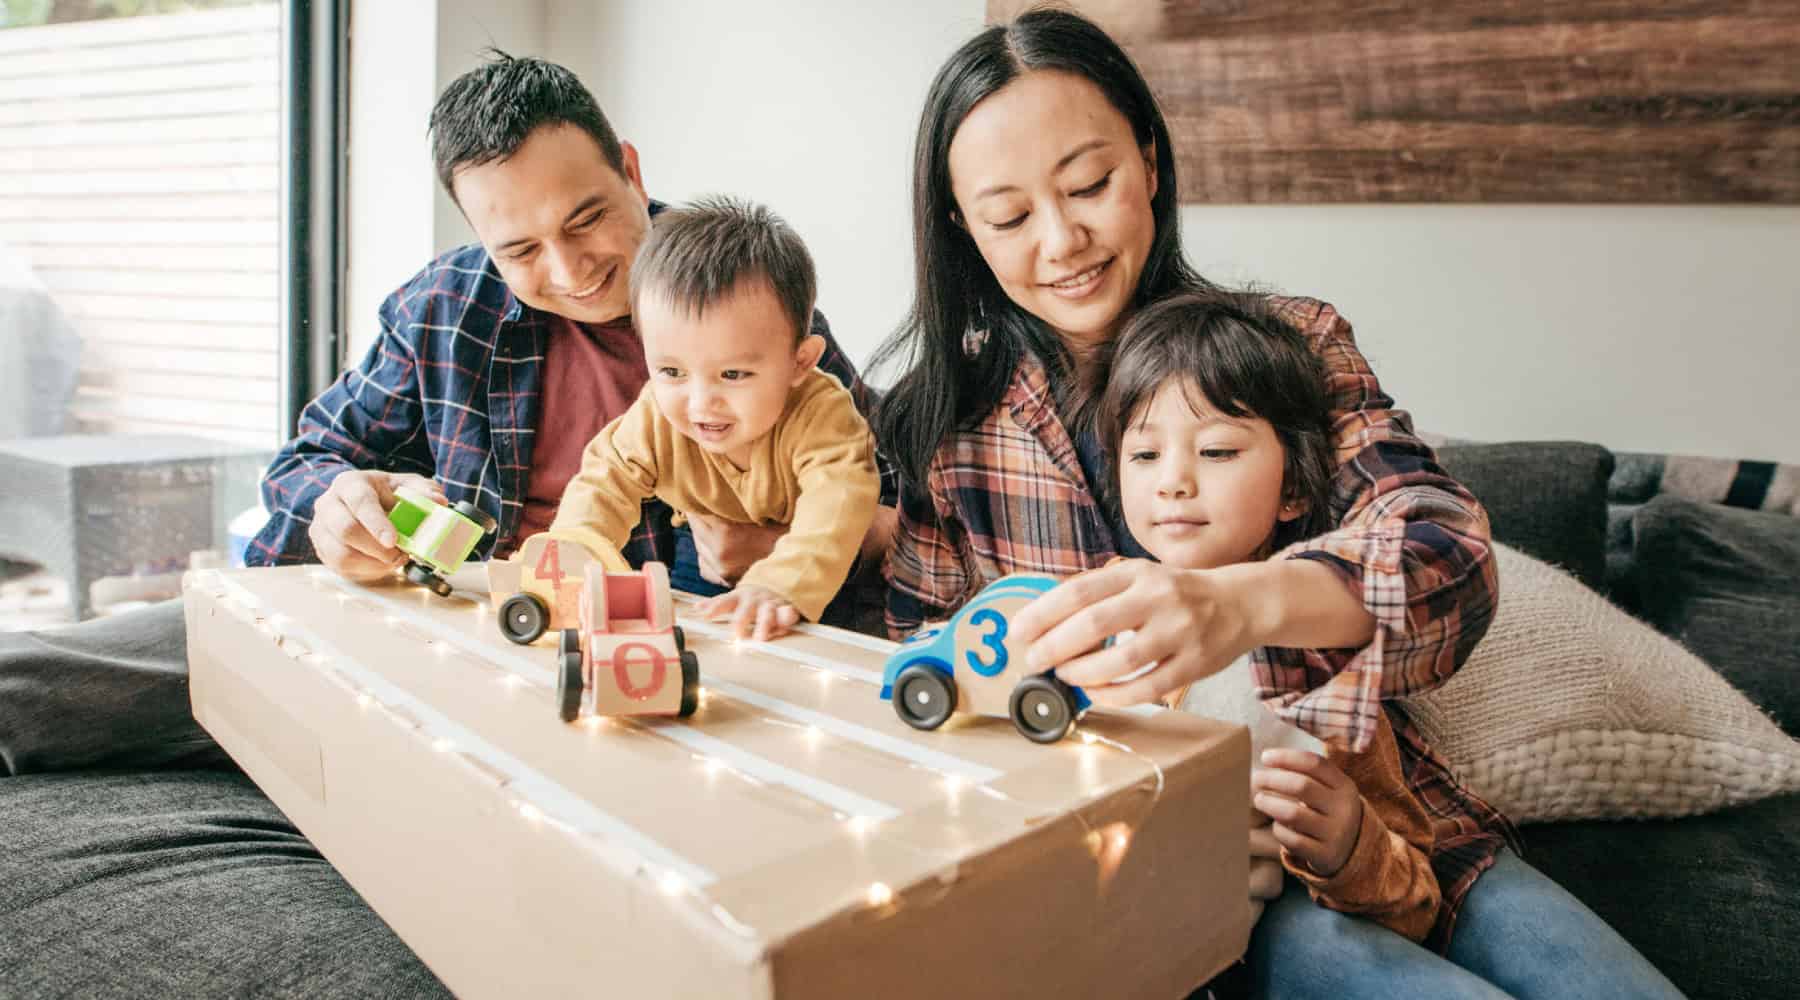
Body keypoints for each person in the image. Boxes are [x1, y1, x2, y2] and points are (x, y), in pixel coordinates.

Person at [871, 8, 1682, 998]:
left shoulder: (1291, 346)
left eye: (1090, 184)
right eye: (1009, 216)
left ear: (1154, 164)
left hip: (1388, 825)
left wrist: (1237, 602)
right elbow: (929, 687)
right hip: (1172, 883)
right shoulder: (945, 426)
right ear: (962, 229)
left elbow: (1447, 554)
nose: (1062, 238)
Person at [1101, 292, 1442, 946]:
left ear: (1293, 490)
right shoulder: (1095, 608)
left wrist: (1349, 843)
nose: (1172, 481)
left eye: (1218, 452)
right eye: (1144, 455)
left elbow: (1418, 900)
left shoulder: (1317, 655)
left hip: (1249, 940)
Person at [548, 197, 879, 640]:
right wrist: (574, 547)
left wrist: (779, 584)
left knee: (807, 655)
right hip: (698, 556)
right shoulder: (655, 417)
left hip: (815, 565)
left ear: (800, 362)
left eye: (733, 374)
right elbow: (604, 479)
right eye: (671, 372)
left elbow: (838, 500)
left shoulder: (822, 413)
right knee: (688, 640)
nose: (701, 403)